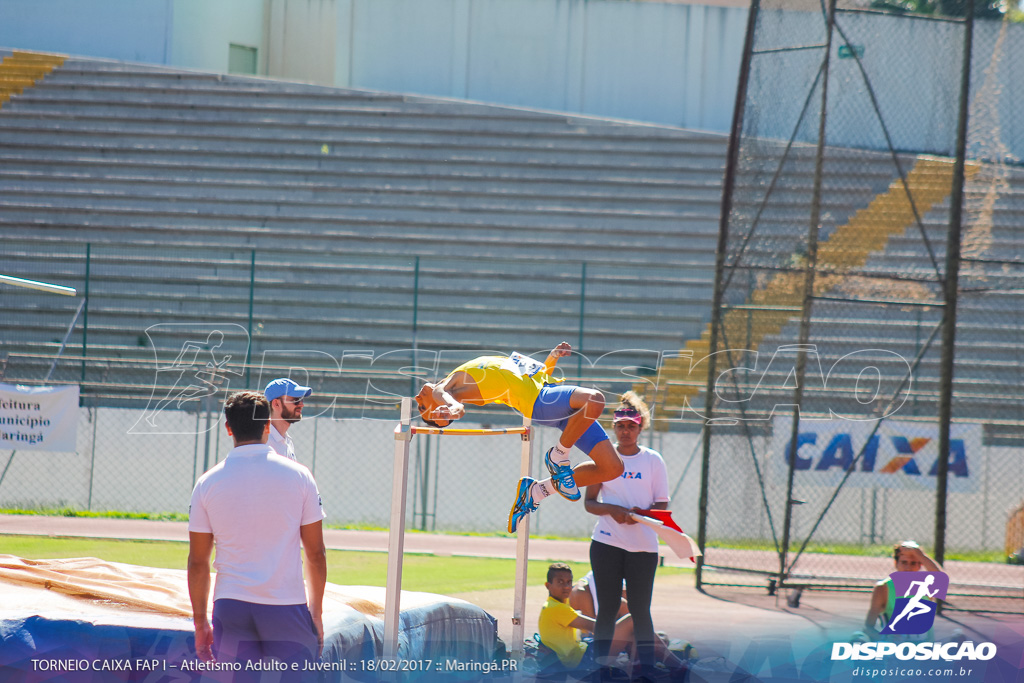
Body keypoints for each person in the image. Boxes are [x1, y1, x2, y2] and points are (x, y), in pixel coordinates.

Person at [187, 390, 327, 677]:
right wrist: (316, 613)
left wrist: (200, 623)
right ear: (267, 425)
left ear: (228, 428)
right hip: (284, 604)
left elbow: (198, 561)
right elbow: (315, 553)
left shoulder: (207, 482)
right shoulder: (300, 476)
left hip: (230, 605)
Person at [415, 342, 624, 533]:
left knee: (613, 467)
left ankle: (537, 491)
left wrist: (552, 358)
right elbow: (456, 406)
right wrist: (450, 413)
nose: (417, 398)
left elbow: (531, 376)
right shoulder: (444, 390)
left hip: (550, 393)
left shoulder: (456, 377)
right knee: (595, 400)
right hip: (541, 402)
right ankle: (558, 455)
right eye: (422, 407)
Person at [583, 391, 676, 674]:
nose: (625, 431)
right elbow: (590, 503)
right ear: (614, 426)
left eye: (631, 426)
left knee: (639, 610)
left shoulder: (652, 460)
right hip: (606, 543)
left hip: (644, 547)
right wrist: (612, 509)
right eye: (621, 426)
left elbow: (662, 504)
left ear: (640, 427)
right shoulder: (603, 457)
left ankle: (646, 670)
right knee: (607, 609)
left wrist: (640, 516)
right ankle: (600, 670)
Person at [538, 563, 632, 670]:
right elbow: (596, 627)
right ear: (548, 586)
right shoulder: (557, 608)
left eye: (569, 582)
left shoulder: (553, 604)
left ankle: (639, 659)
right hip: (580, 661)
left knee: (627, 624)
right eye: (560, 582)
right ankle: (644, 659)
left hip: (579, 653)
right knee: (631, 620)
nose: (566, 587)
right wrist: (623, 632)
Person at [864, 541, 943, 640]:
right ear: (896, 563)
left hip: (924, 650)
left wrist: (919, 554)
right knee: (857, 638)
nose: (908, 568)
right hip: (895, 649)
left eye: (913, 563)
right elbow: (868, 627)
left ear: (920, 565)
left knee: (959, 638)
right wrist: (885, 638)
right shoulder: (883, 588)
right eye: (904, 562)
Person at [264, 377, 312, 461]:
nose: (301, 405)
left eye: (302, 399)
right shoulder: (265, 442)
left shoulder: (286, 440)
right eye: (296, 400)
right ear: (276, 404)